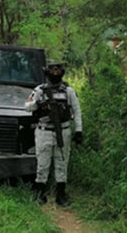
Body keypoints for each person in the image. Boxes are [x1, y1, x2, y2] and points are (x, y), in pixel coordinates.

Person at [24, 63, 83, 207]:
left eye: (58, 69)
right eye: (52, 69)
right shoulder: (39, 90)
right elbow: (27, 106)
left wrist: (79, 130)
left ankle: (61, 195)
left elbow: (76, 111)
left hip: (63, 131)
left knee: (62, 163)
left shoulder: (68, 91)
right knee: (43, 163)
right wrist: (39, 103)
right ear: (47, 72)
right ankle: (39, 194)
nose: (55, 72)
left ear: (62, 72)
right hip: (44, 130)